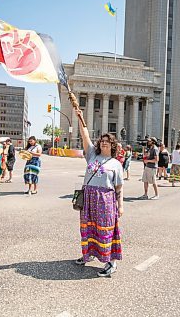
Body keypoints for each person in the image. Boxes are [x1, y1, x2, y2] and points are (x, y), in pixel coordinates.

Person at [74, 109, 124, 277]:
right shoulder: (92, 155)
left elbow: (119, 188)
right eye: (102, 141)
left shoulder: (116, 164)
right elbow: (85, 136)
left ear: (112, 145)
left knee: (105, 230)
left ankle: (111, 262)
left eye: (107, 142)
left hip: (105, 200)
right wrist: (80, 117)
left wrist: (120, 206)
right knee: (88, 228)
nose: (104, 143)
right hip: (88, 198)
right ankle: (87, 255)